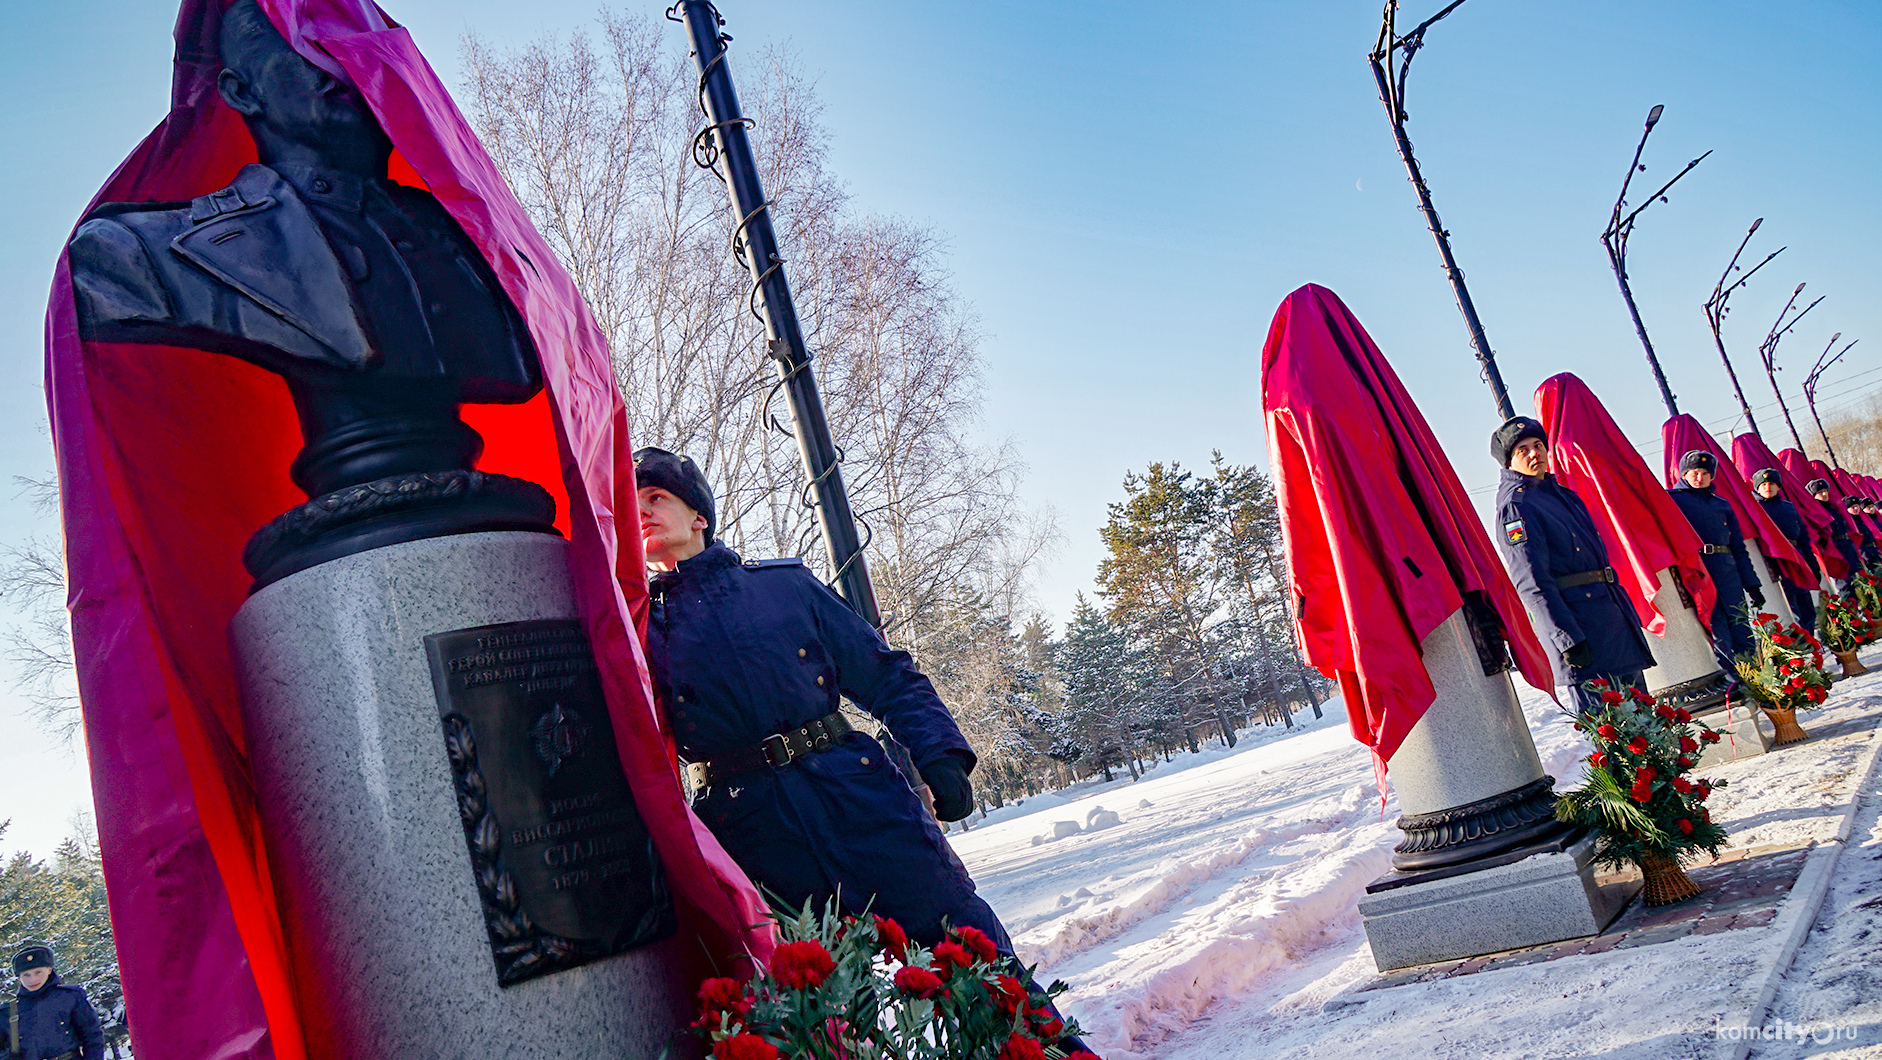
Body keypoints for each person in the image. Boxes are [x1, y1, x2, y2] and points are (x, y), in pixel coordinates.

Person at [634, 448, 1089, 1049]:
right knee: (815, 1020)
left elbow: (886, 674)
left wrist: (941, 757)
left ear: (698, 515)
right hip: (755, 837)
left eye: (655, 498)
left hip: (858, 801)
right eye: (629, 504)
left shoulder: (784, 589)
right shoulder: (640, 624)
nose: (640, 512)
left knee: (975, 963)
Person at [1491, 417, 1655, 711]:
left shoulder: (1564, 496)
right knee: (1615, 739)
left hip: (1612, 622)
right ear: (1508, 461)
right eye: (1523, 450)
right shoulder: (1517, 507)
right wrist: (1567, 639)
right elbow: (1532, 583)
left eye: (1538, 445)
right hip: (1582, 634)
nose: (1534, 453)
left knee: (1648, 725)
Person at [1668, 451, 1762, 666]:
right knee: (1717, 627)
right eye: (1694, 473)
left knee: (1741, 626)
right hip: (1699, 572)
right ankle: (1734, 681)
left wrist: (1752, 583)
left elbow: (1738, 547)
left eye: (1705, 473)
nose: (1700, 478)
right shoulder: (1673, 500)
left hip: (1728, 573)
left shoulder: (1722, 504)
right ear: (1684, 474)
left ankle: (1756, 679)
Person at [3, 946, 104, 1060]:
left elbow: (92, 1036)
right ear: (19, 977)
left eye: (38, 972)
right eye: (26, 975)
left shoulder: (69, 997)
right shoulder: (8, 1011)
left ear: (49, 970)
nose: (32, 979)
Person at [1752, 468, 1819, 632]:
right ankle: (1795, 639)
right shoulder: (1755, 509)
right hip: (1775, 560)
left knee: (1805, 600)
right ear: (1757, 488)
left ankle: (1809, 637)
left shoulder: (1789, 507)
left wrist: (1812, 564)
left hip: (1796, 556)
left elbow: (1803, 537)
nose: (1768, 487)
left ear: (1778, 486)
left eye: (1772, 484)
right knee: (1790, 603)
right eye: (1763, 484)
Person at [1808, 479, 1863, 587]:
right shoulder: (1816, 511)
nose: (1824, 494)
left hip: (1847, 546)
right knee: (1845, 585)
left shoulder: (1833, 507)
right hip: (1836, 550)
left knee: (1856, 582)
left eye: (1825, 491)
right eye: (1819, 492)